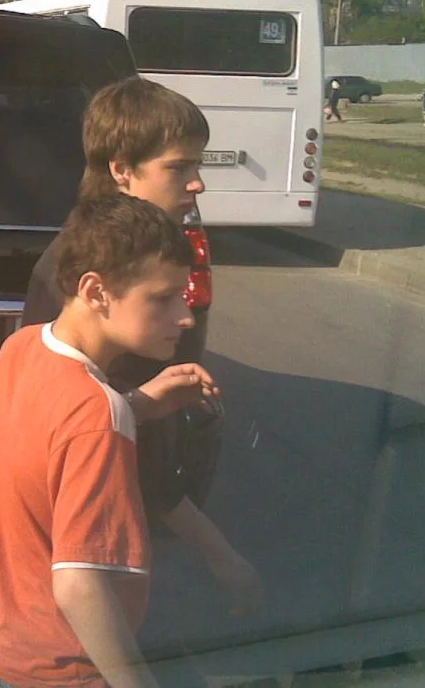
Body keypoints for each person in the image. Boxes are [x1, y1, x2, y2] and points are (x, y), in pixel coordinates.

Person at [23, 77, 263, 615]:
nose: (197, 183)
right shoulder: (103, 280)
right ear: (121, 170)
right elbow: (104, 441)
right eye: (179, 168)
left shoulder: (131, 254)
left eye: (198, 165)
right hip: (83, 558)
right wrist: (221, 555)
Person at [0, 193, 220, 688]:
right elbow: (79, 585)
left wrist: (136, 404)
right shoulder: (96, 415)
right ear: (96, 291)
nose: (186, 317)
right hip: (63, 669)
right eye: (163, 298)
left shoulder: (20, 347)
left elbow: (49, 442)